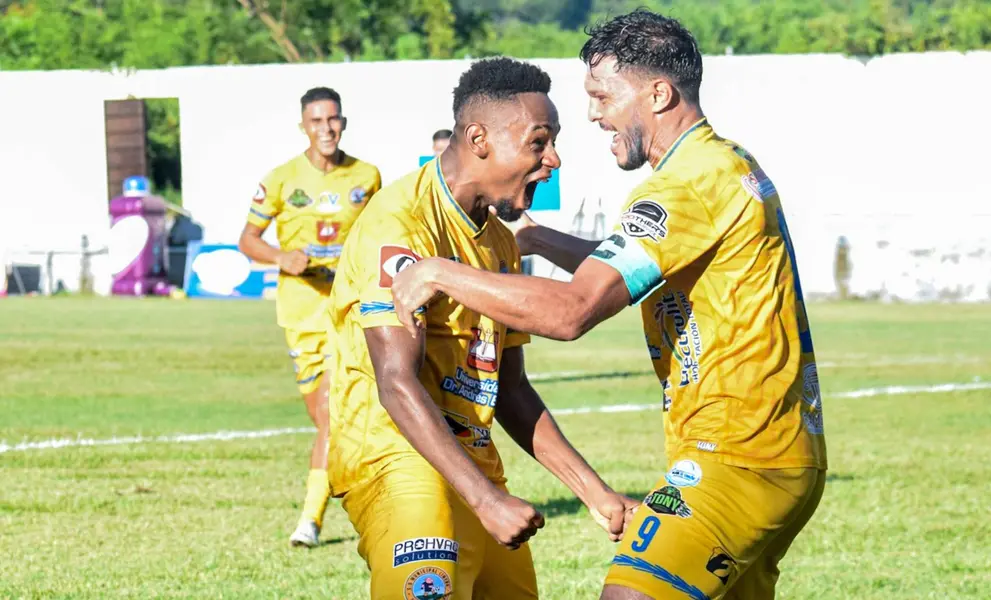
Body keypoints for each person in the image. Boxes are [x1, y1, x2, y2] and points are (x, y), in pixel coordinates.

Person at [389, 8, 828, 599]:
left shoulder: (682, 185)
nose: (594, 115)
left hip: (736, 456)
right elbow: (639, 267)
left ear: (657, 92)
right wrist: (539, 239)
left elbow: (573, 312)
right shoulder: (724, 161)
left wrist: (441, 273)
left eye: (602, 96)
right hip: (782, 454)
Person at [325, 56, 638, 599]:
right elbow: (396, 382)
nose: (554, 159)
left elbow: (511, 389)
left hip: (472, 460)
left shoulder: (496, 242)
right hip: (398, 457)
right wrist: (486, 500)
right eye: (540, 142)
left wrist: (596, 493)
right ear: (479, 138)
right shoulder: (397, 222)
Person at [237, 86, 382, 548]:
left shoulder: (368, 176)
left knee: (334, 414)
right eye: (317, 121)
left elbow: (381, 233)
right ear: (303, 126)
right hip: (302, 314)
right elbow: (248, 239)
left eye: (333, 119)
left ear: (344, 122)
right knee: (324, 416)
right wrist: (282, 257)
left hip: (352, 311)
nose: (326, 129)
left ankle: (311, 519)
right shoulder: (281, 179)